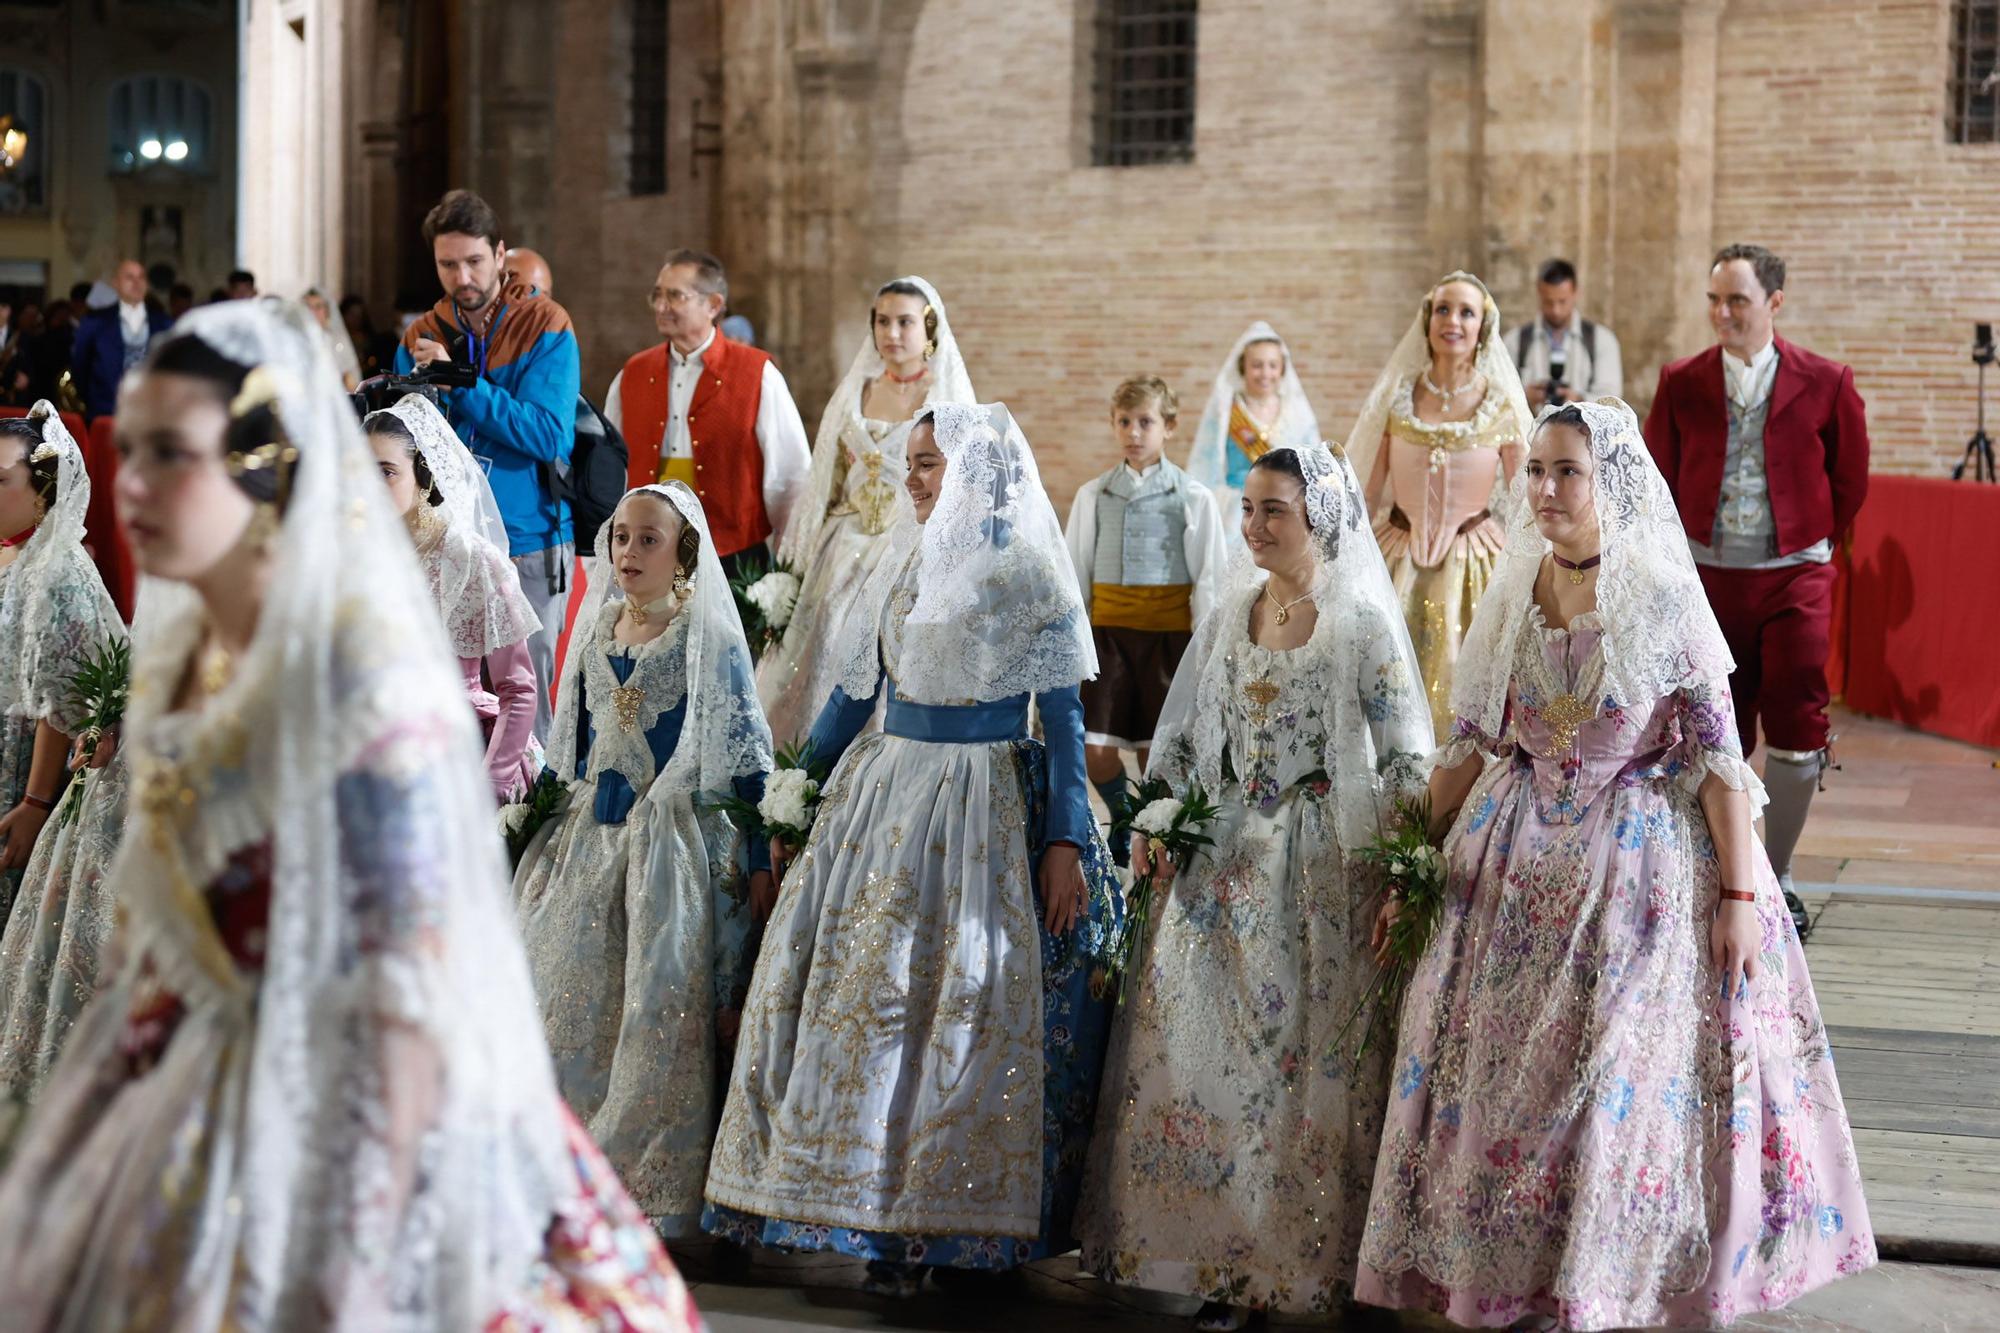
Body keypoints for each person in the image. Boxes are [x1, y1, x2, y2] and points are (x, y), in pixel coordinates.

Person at [0, 299, 703, 1330]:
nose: (135, 483)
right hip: (193, 1085)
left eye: (172, 454)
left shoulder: (367, 672)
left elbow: (416, 948)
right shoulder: (192, 657)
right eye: (135, 450)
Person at [1356, 398, 1875, 1329]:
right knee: (1503, 1082)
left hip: (1630, 868)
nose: (1547, 490)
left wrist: (1741, 896)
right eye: (1538, 471)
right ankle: (1502, 1276)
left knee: (1607, 1085)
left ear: (1610, 483)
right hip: (1509, 869)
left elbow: (1721, 763)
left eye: (1569, 472)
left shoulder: (1661, 595)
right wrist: (1408, 866)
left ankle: (1599, 1281)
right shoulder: (1513, 592)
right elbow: (1470, 747)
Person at [704, 402, 1121, 1297]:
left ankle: (959, 1228)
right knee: (874, 997)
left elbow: (1061, 717)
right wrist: (797, 791)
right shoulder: (901, 564)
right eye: (913, 464)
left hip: (981, 803)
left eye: (931, 464)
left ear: (975, 468)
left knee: (961, 998)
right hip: (887, 796)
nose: (916, 480)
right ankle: (877, 1221)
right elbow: (852, 698)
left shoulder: (1026, 574)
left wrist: (1063, 839)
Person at [1077, 441, 1432, 1330]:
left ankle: (1304, 1259)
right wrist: (1162, 815)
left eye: (1274, 509)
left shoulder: (1359, 622)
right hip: (1226, 856)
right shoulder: (1233, 612)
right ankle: (1220, 1258)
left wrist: (1397, 874)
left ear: (1318, 517)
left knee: (1299, 1065)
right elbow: (1191, 735)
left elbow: (1402, 759)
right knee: (1211, 1062)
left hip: (1317, 866)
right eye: (1249, 508)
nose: (1255, 525)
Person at [515, 481, 773, 1235]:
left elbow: (746, 753)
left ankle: (644, 1177)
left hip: (672, 848)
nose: (627, 551)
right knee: (560, 989)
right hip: (590, 840)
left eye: (647, 539)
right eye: (621, 536)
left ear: (684, 551)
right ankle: (554, 1166)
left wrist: (759, 852)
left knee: (656, 1002)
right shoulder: (598, 627)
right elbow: (574, 742)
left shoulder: (706, 637)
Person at [1645, 243, 1868, 935]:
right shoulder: (1681, 381)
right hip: (1705, 578)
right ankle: (1731, 870)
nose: (1721, 313)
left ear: (1774, 302)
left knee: (1799, 717)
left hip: (1795, 572)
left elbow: (1850, 479)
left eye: (1736, 300)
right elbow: (1657, 476)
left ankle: (1783, 872)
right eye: (1714, 299)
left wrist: (1815, 541)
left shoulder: (1827, 381)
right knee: (1716, 726)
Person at [757, 275, 976, 746]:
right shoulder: (856, 389)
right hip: (842, 548)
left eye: (905, 322)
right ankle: (806, 771)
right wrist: (797, 562)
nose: (891, 333)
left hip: (910, 547)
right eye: (882, 321)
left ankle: (876, 761)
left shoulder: (948, 399)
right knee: (820, 648)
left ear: (930, 328)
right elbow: (823, 483)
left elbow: (964, 487)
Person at [398, 188, 582, 742]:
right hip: (445, 543)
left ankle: (531, 825)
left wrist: (463, 383)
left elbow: (548, 434)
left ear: (500, 255)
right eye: (448, 264)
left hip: (528, 538)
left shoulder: (545, 323)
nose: (463, 277)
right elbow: (403, 438)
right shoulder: (421, 333)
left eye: (475, 261)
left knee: (529, 710)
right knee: (445, 704)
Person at [0, 409, 129, 1104]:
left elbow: (65, 700)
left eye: (0, 481)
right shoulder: (19, 554)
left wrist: (34, 800)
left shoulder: (61, 572)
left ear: (42, 487)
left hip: (30, 764)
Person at [1346, 270, 1533, 738]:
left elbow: (1528, 496)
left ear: (1482, 327)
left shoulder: (1501, 404)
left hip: (1476, 560)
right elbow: (1367, 491)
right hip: (1397, 555)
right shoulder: (1398, 394)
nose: (1453, 320)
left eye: (1466, 312)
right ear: (1428, 321)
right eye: (1444, 309)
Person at [1063, 375, 1226, 859]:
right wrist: (1076, 642)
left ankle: (1151, 834)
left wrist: (1206, 645)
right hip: (1108, 639)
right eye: (1124, 422)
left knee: (1155, 750)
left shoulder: (1192, 496)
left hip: (1166, 641)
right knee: (1095, 748)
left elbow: (1210, 577)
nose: (1134, 432)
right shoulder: (1094, 495)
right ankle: (1124, 817)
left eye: (1146, 422)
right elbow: (1076, 572)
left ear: (1169, 427)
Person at [364, 395, 544, 801]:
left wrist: (490, 785)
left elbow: (518, 690)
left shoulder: (471, 560)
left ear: (423, 474)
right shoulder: (358, 558)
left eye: (386, 472)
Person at [605, 249, 810, 578]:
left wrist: (789, 565)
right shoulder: (633, 373)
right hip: (648, 554)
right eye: (657, 295)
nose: (661, 306)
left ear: (713, 305)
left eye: (674, 296)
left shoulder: (757, 373)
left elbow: (790, 477)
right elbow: (611, 468)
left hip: (734, 558)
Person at [1184, 321, 1321, 547]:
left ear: (1282, 369)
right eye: (1257, 365)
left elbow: (1313, 467)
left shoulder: (1297, 413)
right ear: (1243, 367)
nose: (1265, 373)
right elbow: (1205, 465)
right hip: (1236, 516)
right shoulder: (1226, 411)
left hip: (1286, 512)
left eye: (1272, 365)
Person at [1506, 257, 1625, 409]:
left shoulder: (1602, 340)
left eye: (1562, 301)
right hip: (1531, 430)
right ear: (1539, 293)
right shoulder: (1515, 341)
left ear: (1575, 293)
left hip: (1584, 431)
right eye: (1548, 302)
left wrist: (1579, 399)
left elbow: (1612, 400)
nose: (1556, 310)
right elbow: (1498, 397)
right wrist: (1524, 395)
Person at [69, 260, 170, 420]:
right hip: (106, 414)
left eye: (141, 277)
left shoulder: (165, 324)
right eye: (129, 277)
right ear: (116, 283)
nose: (136, 283)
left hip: (153, 416)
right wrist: (97, 401)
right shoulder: (94, 323)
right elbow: (80, 367)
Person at [302, 287, 362, 391]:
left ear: (327, 310)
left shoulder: (338, 340)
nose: (313, 312)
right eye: (309, 307)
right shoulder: (297, 340)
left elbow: (352, 377)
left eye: (318, 307)